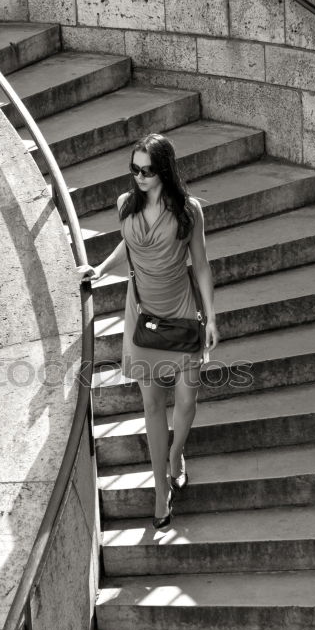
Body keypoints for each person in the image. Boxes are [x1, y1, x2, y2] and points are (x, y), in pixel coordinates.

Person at [79, 133, 219, 530]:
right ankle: (161, 491)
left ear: (165, 171)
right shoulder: (126, 204)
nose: (139, 177)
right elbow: (129, 244)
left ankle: (177, 454)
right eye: (134, 169)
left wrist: (212, 317)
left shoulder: (189, 211)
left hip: (182, 311)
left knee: (187, 404)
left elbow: (202, 265)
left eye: (147, 170)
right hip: (142, 315)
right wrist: (101, 269)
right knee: (153, 408)